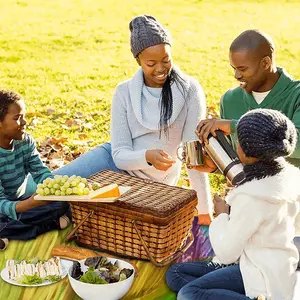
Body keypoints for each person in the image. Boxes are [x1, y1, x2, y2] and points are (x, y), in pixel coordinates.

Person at [52, 15, 213, 224]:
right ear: (138, 60)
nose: (160, 69)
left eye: (166, 59)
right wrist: (146, 156)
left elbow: (193, 157)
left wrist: (204, 211)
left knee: (79, 210)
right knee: (49, 188)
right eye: (151, 63)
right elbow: (119, 155)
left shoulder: (190, 90)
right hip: (112, 163)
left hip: (149, 186)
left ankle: (60, 217)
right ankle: (11, 211)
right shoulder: (124, 92)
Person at [166, 108, 300, 300]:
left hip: (258, 273)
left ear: (244, 150)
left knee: (188, 293)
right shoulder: (292, 177)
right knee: (175, 274)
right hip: (276, 265)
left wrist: (222, 215)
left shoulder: (251, 196)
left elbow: (226, 252)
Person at [196, 29, 300, 171]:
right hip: (249, 189)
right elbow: (237, 161)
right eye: (234, 68)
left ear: (265, 63)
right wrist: (214, 166)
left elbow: (296, 144)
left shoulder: (296, 95)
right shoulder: (230, 99)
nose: (237, 75)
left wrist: (235, 127)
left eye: (242, 69)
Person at [0, 90, 70, 248]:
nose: (24, 122)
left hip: (20, 201)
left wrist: (54, 189)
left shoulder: (25, 141)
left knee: (63, 204)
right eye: (17, 118)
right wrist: (31, 204)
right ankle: (49, 225)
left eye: (23, 116)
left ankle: (9, 232)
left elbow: (40, 172)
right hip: (5, 206)